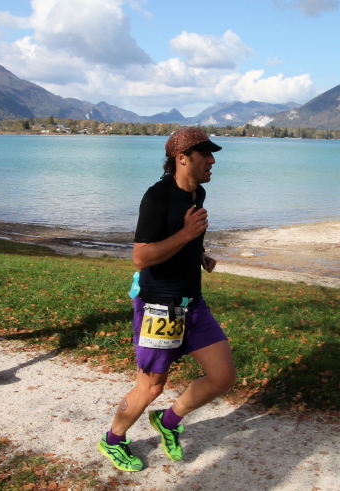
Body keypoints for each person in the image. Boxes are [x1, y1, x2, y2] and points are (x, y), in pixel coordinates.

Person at [98, 127, 236, 472]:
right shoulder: (157, 196)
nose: (212, 160)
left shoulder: (197, 193)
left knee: (223, 377)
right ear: (182, 157)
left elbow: (183, 237)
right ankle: (113, 439)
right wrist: (186, 235)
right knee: (151, 386)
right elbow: (141, 257)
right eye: (205, 154)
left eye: (212, 154)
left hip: (193, 304)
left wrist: (198, 253)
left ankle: (169, 420)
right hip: (160, 307)